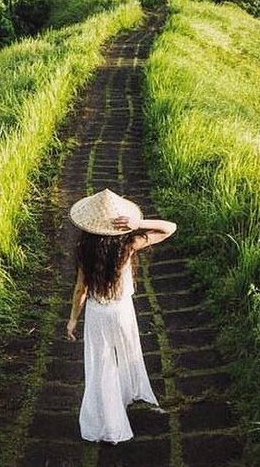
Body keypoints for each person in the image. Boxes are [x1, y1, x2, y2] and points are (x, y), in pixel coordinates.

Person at [65, 188, 177, 443]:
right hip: (122, 310)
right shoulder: (128, 244)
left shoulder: (84, 250)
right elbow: (169, 227)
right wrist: (139, 224)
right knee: (128, 355)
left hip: (97, 314)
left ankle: (109, 420)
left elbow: (81, 290)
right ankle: (126, 397)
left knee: (100, 365)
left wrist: (73, 319)